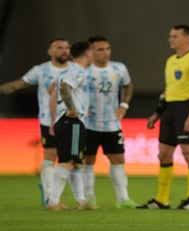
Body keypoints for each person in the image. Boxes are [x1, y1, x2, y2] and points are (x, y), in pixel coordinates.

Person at [137, 25, 189, 210]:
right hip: (170, 111)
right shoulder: (170, 61)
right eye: (170, 36)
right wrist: (158, 112)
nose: (170, 39)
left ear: (188, 38)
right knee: (164, 154)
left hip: (186, 109)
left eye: (175, 36)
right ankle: (162, 199)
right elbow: (169, 90)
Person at [0, 37, 71, 207]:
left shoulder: (76, 69)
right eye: (59, 47)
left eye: (67, 47)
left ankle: (77, 198)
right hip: (49, 120)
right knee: (51, 155)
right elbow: (18, 85)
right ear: (50, 51)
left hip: (73, 120)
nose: (64, 51)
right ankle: (49, 197)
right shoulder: (41, 70)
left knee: (70, 160)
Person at [82, 35, 136, 208]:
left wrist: (124, 104)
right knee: (88, 159)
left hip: (112, 124)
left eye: (108, 48)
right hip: (88, 124)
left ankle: (123, 199)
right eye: (100, 49)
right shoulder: (83, 70)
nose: (106, 53)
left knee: (118, 159)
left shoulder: (119, 68)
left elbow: (128, 85)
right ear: (90, 52)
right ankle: (89, 197)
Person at [46, 41, 98, 210]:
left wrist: (54, 120)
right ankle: (53, 201)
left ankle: (81, 201)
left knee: (76, 162)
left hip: (64, 121)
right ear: (88, 53)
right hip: (73, 121)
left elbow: (54, 93)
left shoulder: (67, 71)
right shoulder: (77, 71)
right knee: (68, 162)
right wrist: (72, 108)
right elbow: (64, 87)